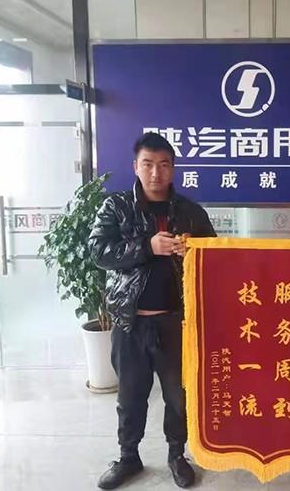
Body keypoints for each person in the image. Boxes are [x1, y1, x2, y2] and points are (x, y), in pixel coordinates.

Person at [89, 132, 216, 489]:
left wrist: (193, 252)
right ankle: (128, 457)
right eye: (148, 164)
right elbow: (98, 252)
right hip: (130, 323)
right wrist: (147, 246)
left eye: (163, 165)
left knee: (179, 397)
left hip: (176, 323)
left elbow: (215, 257)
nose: (155, 173)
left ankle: (177, 455)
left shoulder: (190, 212)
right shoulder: (116, 207)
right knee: (130, 397)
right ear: (136, 166)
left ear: (173, 168)